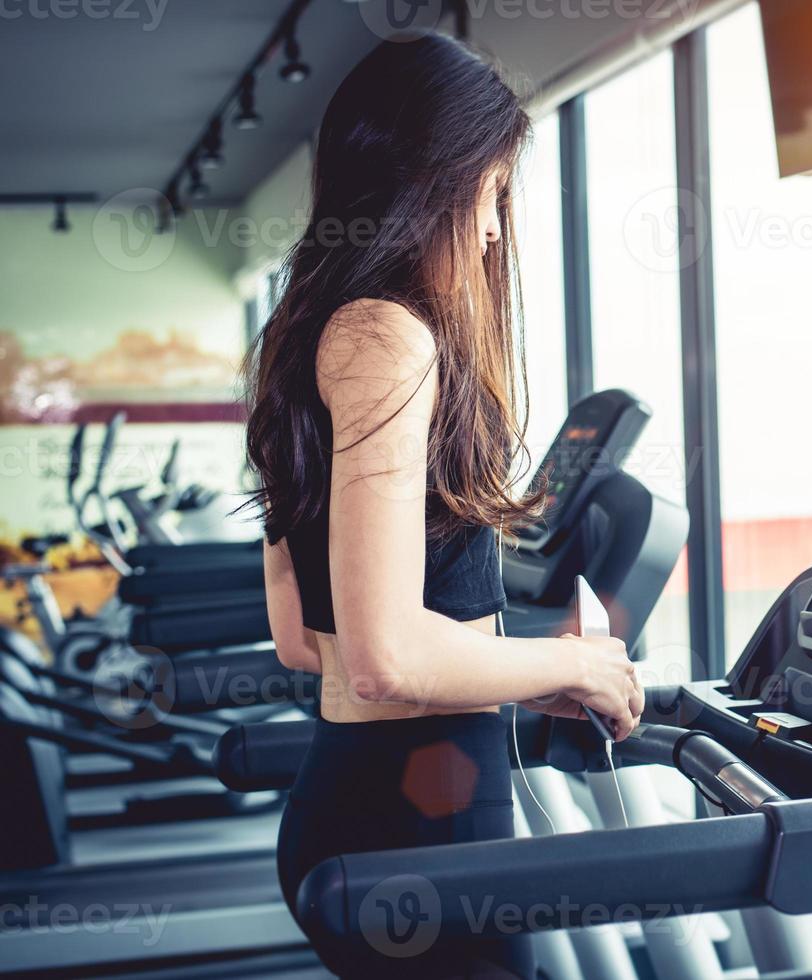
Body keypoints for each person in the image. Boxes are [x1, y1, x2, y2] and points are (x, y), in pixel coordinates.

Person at [245, 34, 642, 978]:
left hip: (361, 808)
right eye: (493, 192)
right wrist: (572, 663)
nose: (497, 230)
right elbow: (384, 658)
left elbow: (309, 640)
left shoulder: (307, 334)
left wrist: (521, 673)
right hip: (417, 824)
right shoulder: (390, 336)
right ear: (437, 178)